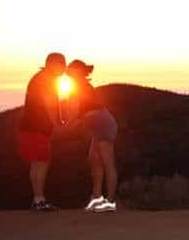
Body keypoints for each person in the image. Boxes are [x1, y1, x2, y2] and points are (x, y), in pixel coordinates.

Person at [65, 59, 119, 212]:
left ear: (80, 72)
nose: (69, 71)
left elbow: (74, 112)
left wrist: (62, 125)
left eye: (72, 69)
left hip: (102, 124)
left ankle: (109, 202)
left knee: (107, 163)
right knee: (95, 162)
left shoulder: (78, 86)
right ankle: (96, 198)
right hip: (99, 124)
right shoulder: (80, 85)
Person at [17, 52, 66, 211]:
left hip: (30, 126)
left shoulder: (40, 77)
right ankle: (39, 200)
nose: (64, 69)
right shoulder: (47, 80)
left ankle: (37, 199)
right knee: (42, 162)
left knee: (37, 163)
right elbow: (50, 104)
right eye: (62, 64)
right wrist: (58, 124)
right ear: (53, 64)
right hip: (37, 128)